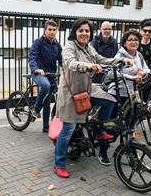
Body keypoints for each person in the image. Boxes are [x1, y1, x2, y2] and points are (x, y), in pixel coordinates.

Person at [54, 18, 132, 178]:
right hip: (71, 92)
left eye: (87, 31)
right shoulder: (70, 47)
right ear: (75, 32)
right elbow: (70, 63)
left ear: (90, 34)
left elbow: (101, 59)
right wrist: (88, 66)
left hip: (87, 88)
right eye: (81, 30)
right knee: (67, 130)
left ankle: (99, 131)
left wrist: (121, 61)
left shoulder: (89, 48)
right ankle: (59, 163)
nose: (84, 33)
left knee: (109, 100)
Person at [105, 30, 150, 118]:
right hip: (118, 93)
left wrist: (141, 73)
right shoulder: (120, 56)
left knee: (131, 120)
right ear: (125, 43)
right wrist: (132, 77)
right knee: (115, 122)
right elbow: (111, 74)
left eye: (136, 40)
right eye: (130, 40)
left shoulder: (139, 55)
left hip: (133, 94)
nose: (133, 42)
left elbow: (147, 70)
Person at [28, 20, 62, 133]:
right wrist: (36, 69)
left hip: (51, 74)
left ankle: (46, 126)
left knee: (47, 101)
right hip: (39, 74)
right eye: (50, 29)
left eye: (54, 29)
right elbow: (32, 56)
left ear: (56, 30)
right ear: (45, 30)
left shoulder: (57, 45)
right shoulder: (39, 42)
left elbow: (62, 61)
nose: (52, 32)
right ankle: (36, 108)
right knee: (46, 86)